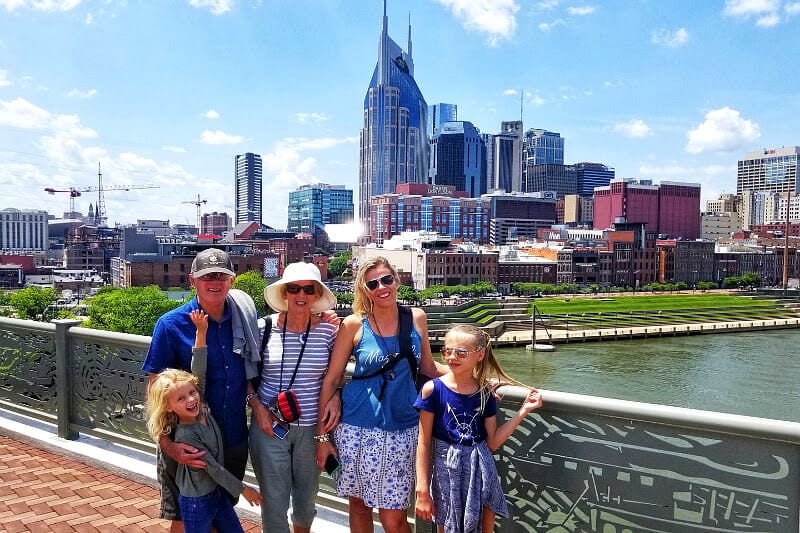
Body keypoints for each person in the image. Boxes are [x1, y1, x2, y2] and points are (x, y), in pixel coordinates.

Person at [315, 256, 447, 533]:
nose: (381, 287)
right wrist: (323, 438)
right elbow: (332, 379)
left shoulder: (416, 318)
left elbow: (428, 368)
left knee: (394, 519)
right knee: (359, 505)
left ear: (397, 280)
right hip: (355, 426)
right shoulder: (353, 324)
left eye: (386, 279)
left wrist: (478, 380)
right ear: (364, 289)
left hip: (402, 427)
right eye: (372, 283)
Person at [142, 248, 261, 532]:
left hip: (231, 435)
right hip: (187, 442)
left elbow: (251, 368)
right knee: (183, 517)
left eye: (222, 275)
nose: (215, 281)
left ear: (232, 280)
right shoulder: (170, 325)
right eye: (207, 276)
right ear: (193, 280)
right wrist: (169, 446)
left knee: (222, 511)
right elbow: (156, 394)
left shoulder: (244, 321)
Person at [413, 324, 543, 533]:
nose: (452, 357)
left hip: (481, 469)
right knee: (446, 527)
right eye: (447, 351)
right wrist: (422, 489)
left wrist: (524, 410)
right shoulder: (432, 390)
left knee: (485, 529)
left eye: (461, 352)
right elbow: (423, 442)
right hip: (447, 470)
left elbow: (492, 442)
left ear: (480, 355)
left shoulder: (485, 393)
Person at [247, 261, 341, 533]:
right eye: (294, 289)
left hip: (313, 429)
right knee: (274, 502)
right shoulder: (263, 328)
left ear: (316, 294)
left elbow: (335, 377)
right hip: (269, 426)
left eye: (308, 289)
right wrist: (257, 408)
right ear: (284, 293)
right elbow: (245, 376)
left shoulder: (328, 331)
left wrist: (336, 396)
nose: (301, 295)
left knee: (305, 501)